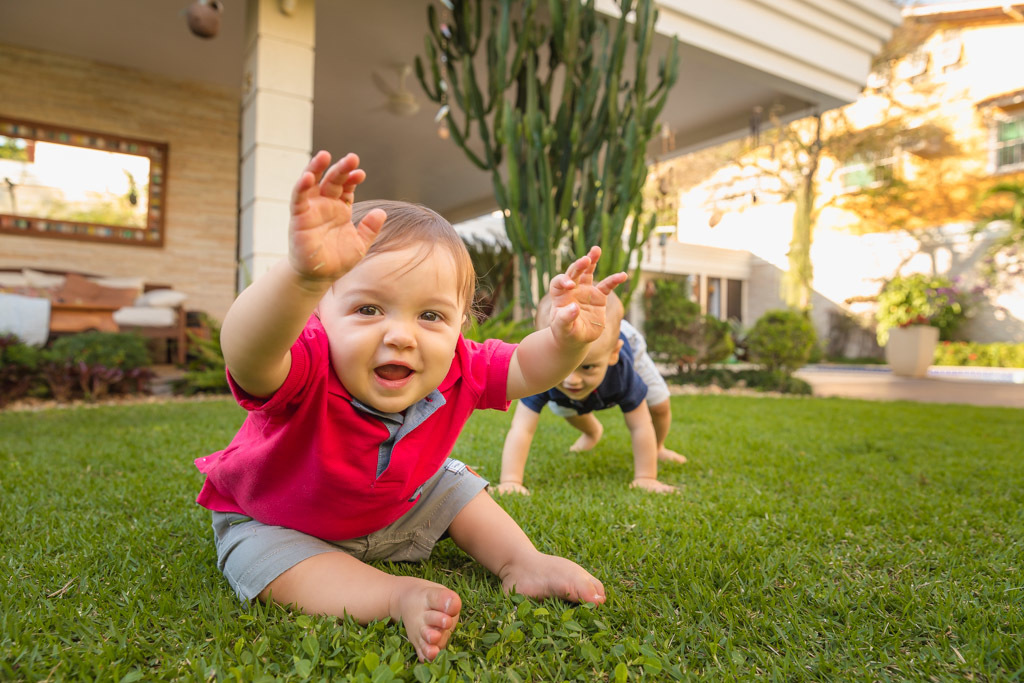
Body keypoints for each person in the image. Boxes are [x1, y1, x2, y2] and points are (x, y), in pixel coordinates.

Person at [194, 151, 626, 662]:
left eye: (430, 315)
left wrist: (567, 341)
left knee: (454, 481)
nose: (400, 335)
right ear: (319, 314)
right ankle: (393, 596)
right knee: (268, 561)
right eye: (368, 309)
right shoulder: (306, 361)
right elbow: (248, 354)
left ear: (462, 324)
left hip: (390, 505)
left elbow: (527, 370)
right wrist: (301, 276)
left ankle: (521, 561)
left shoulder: (458, 365)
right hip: (277, 519)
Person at [494, 292, 685, 496]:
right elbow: (522, 428)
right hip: (588, 357)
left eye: (586, 368)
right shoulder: (540, 371)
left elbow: (640, 425)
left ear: (612, 355)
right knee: (567, 408)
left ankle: (658, 447)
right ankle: (592, 432)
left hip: (626, 343)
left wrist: (646, 477)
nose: (571, 379)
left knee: (659, 406)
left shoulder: (622, 370)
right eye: (564, 367)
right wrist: (511, 480)